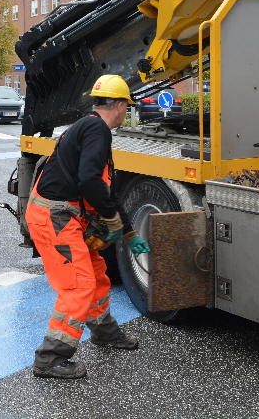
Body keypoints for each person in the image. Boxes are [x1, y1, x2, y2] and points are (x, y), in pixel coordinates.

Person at [25, 74, 151, 379]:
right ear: (120, 105)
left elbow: (103, 190)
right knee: (77, 285)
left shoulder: (87, 127)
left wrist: (129, 232)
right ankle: (50, 358)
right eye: (126, 107)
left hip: (64, 218)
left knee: (95, 274)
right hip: (55, 219)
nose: (126, 113)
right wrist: (112, 222)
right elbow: (89, 182)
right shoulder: (97, 129)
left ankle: (104, 331)